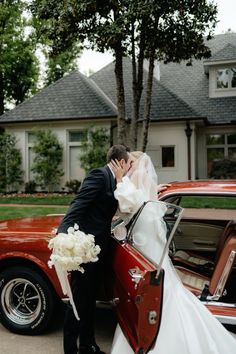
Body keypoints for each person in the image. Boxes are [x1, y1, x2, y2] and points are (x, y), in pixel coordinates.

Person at [110, 152, 236, 354]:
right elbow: (141, 200)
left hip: (143, 241)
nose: (129, 167)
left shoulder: (128, 186)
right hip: (148, 239)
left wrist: (119, 179)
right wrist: (153, 190)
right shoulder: (145, 196)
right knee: (162, 282)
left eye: (131, 163)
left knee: (153, 284)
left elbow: (127, 204)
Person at [57, 144, 133, 354]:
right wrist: (63, 232)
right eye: (129, 163)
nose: (129, 168)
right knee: (78, 301)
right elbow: (79, 204)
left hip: (100, 249)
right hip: (86, 249)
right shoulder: (99, 176)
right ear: (121, 162)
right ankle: (70, 349)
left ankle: (88, 345)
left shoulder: (114, 179)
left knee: (89, 301)